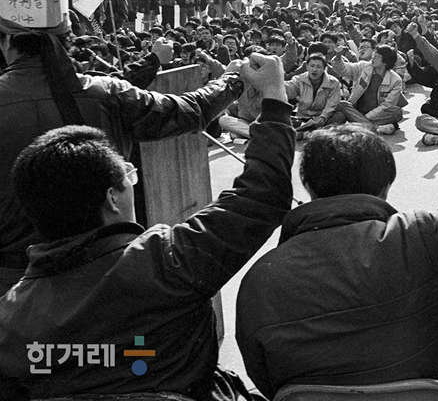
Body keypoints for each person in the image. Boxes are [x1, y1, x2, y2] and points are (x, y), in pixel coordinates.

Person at [0, 53, 293, 401]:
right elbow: (261, 195)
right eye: (129, 176)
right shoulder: (168, 262)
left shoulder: (10, 324)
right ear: (112, 198)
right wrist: (274, 99)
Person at [236, 70, 438, 399]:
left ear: (308, 185)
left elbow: (265, 378)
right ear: (386, 186)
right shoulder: (422, 239)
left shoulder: (261, 281)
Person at [0, 28, 244, 292]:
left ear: (7, 41)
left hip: (15, 283)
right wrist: (231, 80)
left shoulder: (104, 91)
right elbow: (189, 110)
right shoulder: (105, 92)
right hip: (107, 273)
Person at [331, 44, 406, 135]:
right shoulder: (363, 66)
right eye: (373, 55)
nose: (373, 58)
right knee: (342, 105)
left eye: (377, 57)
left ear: (386, 62)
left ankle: (360, 125)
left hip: (376, 114)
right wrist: (338, 57)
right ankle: (373, 128)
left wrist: (365, 117)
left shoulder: (396, 80)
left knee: (397, 112)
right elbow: (343, 69)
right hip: (357, 109)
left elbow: (387, 105)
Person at [286, 52, 344, 137]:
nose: (314, 69)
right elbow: (289, 90)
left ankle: (312, 133)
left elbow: (332, 104)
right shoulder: (299, 79)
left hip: (322, 119)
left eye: (318, 67)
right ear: (307, 67)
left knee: (340, 116)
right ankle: (313, 133)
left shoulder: (333, 83)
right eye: (312, 66)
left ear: (324, 69)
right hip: (302, 117)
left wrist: (323, 117)